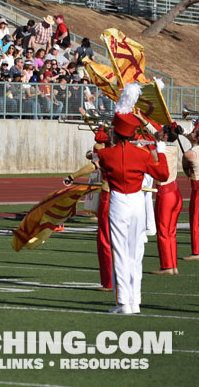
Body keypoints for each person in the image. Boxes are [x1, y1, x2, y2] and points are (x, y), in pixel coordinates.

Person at [94, 84, 168, 314]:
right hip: (137, 201)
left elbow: (102, 149)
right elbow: (163, 174)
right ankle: (135, 302)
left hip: (118, 200)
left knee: (120, 252)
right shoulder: (143, 154)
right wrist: (161, 148)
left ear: (116, 132)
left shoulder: (106, 155)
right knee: (136, 252)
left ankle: (123, 302)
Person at [64, 126, 113, 290]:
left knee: (105, 240)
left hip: (110, 197)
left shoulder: (107, 153)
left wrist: (72, 176)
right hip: (131, 199)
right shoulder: (138, 151)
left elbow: (93, 165)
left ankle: (108, 282)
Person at [152, 124, 182, 275]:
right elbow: (155, 135)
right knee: (171, 233)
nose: (158, 133)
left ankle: (167, 266)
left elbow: (151, 155)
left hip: (165, 193)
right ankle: (173, 265)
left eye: (162, 132)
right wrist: (142, 121)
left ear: (165, 136)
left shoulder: (161, 151)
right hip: (175, 192)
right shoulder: (173, 148)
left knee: (163, 232)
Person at [184, 121, 199, 262]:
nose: (191, 133)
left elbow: (185, 167)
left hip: (197, 189)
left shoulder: (190, 153)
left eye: (194, 133)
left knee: (195, 221)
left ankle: (196, 251)